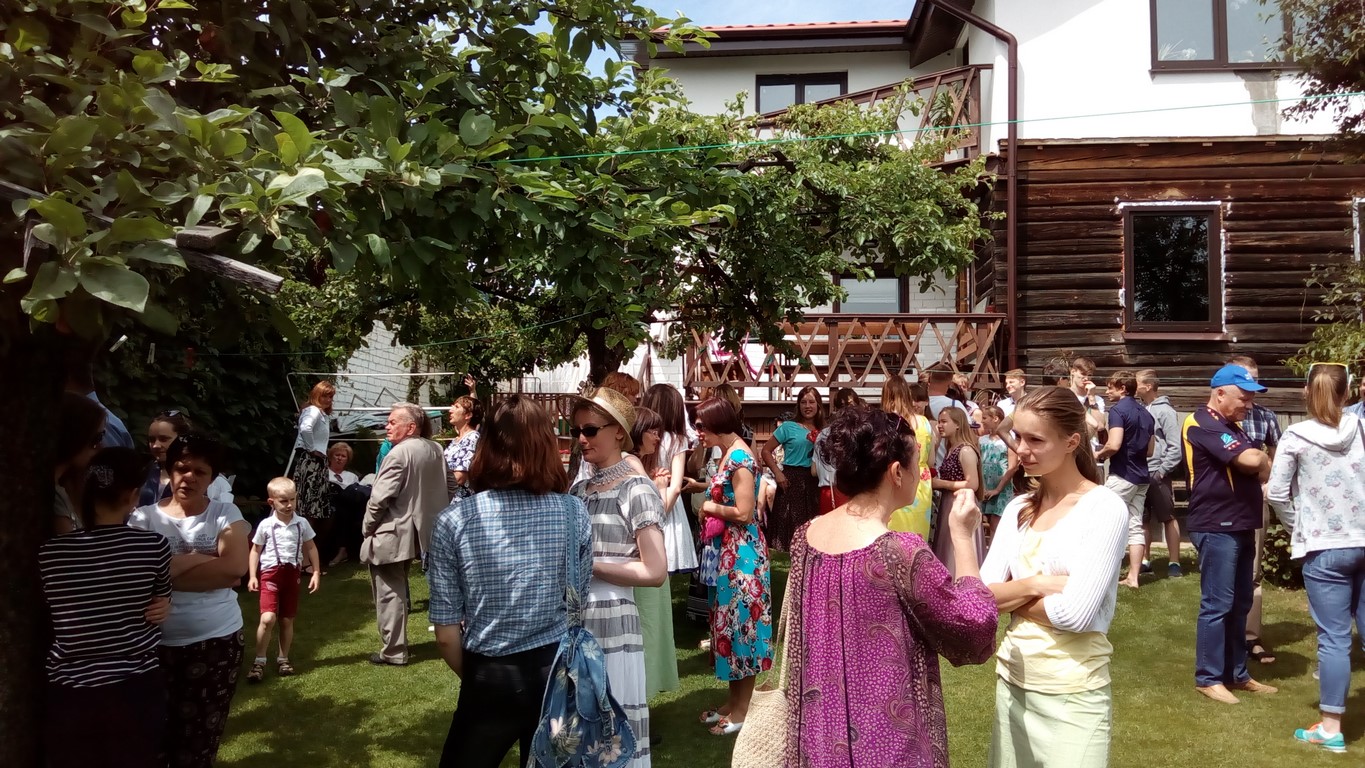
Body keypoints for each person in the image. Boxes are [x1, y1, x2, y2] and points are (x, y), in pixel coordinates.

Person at [785, 407, 998, 767]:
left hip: (819, 738)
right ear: (897, 472)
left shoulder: (805, 537)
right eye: (918, 464)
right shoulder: (900, 552)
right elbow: (973, 628)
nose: (921, 473)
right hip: (887, 745)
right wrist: (963, 538)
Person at [426, 395, 592, 768]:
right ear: (546, 446)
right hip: (555, 671)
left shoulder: (455, 521)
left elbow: (446, 633)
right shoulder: (573, 511)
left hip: (489, 672)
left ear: (487, 446)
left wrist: (478, 678)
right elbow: (578, 603)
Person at [980, 387, 1128, 768]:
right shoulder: (1017, 509)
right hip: (1013, 685)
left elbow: (1075, 615)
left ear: (1071, 442)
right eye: (1018, 437)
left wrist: (1011, 596)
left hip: (1074, 693)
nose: (1021, 449)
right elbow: (981, 597)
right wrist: (1037, 585)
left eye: (1035, 440)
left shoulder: (1104, 508)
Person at [39, 447, 172, 768]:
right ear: (132, 496)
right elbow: (159, 602)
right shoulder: (154, 546)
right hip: (135, 687)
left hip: (71, 691)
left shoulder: (50, 553)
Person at [129, 434, 250, 768]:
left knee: (199, 743)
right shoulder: (143, 519)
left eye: (200, 471)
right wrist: (199, 558)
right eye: (182, 468)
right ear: (169, 471)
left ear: (212, 478)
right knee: (151, 740)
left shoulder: (224, 513)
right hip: (153, 645)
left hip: (216, 642)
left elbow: (234, 569)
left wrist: (164, 573)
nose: (190, 477)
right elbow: (136, 578)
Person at [1264, 362, 1364, 753]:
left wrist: (1299, 527)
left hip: (1323, 548)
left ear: (1307, 391)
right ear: (1347, 392)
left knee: (1334, 640)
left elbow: (1276, 493)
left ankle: (1330, 728)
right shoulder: (1362, 429)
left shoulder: (1295, 435)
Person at [570, 387, 667, 765]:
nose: (581, 438)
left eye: (590, 430)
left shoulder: (636, 488)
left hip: (614, 617)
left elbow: (655, 570)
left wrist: (589, 564)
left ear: (618, 433)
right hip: (576, 620)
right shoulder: (578, 490)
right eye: (576, 430)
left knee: (614, 728)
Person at [1181, 364, 1276, 704]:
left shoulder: (1231, 426)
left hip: (1241, 523)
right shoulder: (1202, 423)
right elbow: (1251, 460)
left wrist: (1259, 459)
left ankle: (1237, 674)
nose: (1248, 405)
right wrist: (1259, 458)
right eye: (1243, 398)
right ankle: (1208, 678)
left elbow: (1261, 462)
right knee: (1218, 603)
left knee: (1240, 602)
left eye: (1251, 398)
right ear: (1220, 393)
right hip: (1216, 525)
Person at [694, 396, 772, 737]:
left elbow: (744, 512)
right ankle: (733, 702)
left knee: (744, 629)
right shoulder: (727, 452)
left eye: (701, 425)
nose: (698, 432)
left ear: (717, 423)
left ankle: (743, 709)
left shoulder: (740, 458)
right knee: (729, 628)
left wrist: (710, 507)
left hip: (743, 556)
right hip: (729, 554)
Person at [362, 402, 448, 666]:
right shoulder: (436, 449)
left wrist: (367, 528)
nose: (386, 426)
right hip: (427, 532)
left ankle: (394, 651)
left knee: (389, 592)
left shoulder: (398, 453)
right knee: (421, 588)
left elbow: (379, 499)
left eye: (392, 422)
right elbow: (451, 486)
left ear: (411, 427)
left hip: (394, 531)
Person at [1227, 355, 1282, 666]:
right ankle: (1224, 635)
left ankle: (1250, 637)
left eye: (1255, 379)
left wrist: (1268, 482)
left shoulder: (1266, 417)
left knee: (1253, 571)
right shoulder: (1214, 419)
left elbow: (1277, 455)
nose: (1252, 387)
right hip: (1224, 502)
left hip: (1255, 501)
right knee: (1224, 570)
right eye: (1245, 379)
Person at [246, 478, 321, 684]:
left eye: (292, 500)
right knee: (268, 618)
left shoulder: (301, 523)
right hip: (270, 574)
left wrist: (315, 572)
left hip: (292, 574)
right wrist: (252, 576)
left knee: (287, 619)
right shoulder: (266, 525)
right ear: (271, 502)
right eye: (284, 501)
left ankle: (283, 658)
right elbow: (255, 551)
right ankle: (259, 660)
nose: (289, 505)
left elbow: (311, 547)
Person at [628, 407, 681, 699]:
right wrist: (661, 487)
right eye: (651, 430)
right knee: (646, 628)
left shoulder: (631, 462)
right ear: (636, 431)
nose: (657, 436)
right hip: (642, 561)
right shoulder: (632, 463)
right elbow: (655, 514)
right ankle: (640, 698)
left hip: (639, 560)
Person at [1095, 371, 1155, 590]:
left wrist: (1097, 454)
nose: (1106, 391)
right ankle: (1133, 577)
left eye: (1110, 387)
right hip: (1142, 477)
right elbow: (1150, 450)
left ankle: (1102, 572)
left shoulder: (1118, 411)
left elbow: (1114, 444)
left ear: (1123, 388)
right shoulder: (1146, 414)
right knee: (1135, 525)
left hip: (1122, 475)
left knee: (1101, 519)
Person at [640, 383, 699, 575]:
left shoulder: (640, 436)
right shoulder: (677, 440)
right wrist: (661, 512)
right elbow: (676, 487)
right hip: (668, 505)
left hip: (642, 500)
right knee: (663, 566)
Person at [761, 386, 825, 552]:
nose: (807, 406)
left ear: (818, 405)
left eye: (811, 402)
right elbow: (766, 451)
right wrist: (778, 473)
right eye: (803, 402)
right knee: (792, 525)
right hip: (791, 479)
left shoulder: (824, 430)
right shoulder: (788, 427)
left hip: (815, 480)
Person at [1135, 370, 1184, 577]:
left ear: (1148, 386)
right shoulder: (1140, 408)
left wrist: (1162, 471)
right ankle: (1145, 560)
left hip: (1158, 473)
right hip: (1140, 472)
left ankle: (1174, 563)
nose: (1134, 385)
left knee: (1168, 517)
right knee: (1142, 518)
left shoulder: (1165, 411)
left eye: (1137, 382)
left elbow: (1175, 447)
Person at [931, 407, 984, 578]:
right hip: (950, 502)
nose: (940, 425)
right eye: (939, 422)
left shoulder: (965, 450)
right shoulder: (951, 448)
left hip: (961, 502)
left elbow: (972, 483)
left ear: (958, 424)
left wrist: (941, 483)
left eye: (944, 422)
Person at [140, 411, 234, 506]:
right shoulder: (144, 471)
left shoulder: (214, 481)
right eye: (151, 440)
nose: (156, 445)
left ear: (181, 439)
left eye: (164, 439)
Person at [289, 381, 336, 563]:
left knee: (314, 511)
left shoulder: (322, 414)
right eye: (324, 395)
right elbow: (305, 428)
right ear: (316, 395)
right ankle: (303, 559)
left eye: (330, 396)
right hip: (311, 464)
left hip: (318, 464)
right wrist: (311, 449)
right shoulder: (313, 410)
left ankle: (305, 558)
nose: (328, 400)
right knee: (308, 510)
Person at [882, 377, 934, 538]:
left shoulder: (886, 422)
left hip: (894, 479)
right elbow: (931, 460)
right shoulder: (924, 422)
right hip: (921, 481)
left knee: (893, 536)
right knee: (917, 535)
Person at [53, 392, 108, 534]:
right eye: (97, 438)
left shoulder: (66, 487)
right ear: (75, 436)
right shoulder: (53, 495)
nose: (101, 447)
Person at [812, 387, 861, 515]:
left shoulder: (823, 434)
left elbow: (814, 471)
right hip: (851, 492)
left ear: (835, 408)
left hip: (827, 492)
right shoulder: (857, 432)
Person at [979, 404, 1017, 539]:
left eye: (985, 418)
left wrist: (998, 489)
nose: (982, 421)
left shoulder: (1008, 440)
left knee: (996, 525)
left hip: (1002, 489)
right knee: (980, 524)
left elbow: (1012, 467)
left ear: (995, 418)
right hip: (984, 487)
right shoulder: (982, 440)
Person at [325, 442, 365, 567]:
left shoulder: (352, 476)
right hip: (331, 506)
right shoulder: (324, 473)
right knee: (344, 511)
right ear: (331, 456)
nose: (340, 458)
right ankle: (343, 551)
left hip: (351, 509)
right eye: (337, 455)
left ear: (347, 460)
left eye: (343, 456)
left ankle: (351, 551)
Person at [444, 390, 483, 501]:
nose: (450, 410)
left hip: (460, 502)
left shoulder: (472, 438)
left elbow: (459, 478)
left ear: (468, 415)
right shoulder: (456, 440)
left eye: (456, 407)